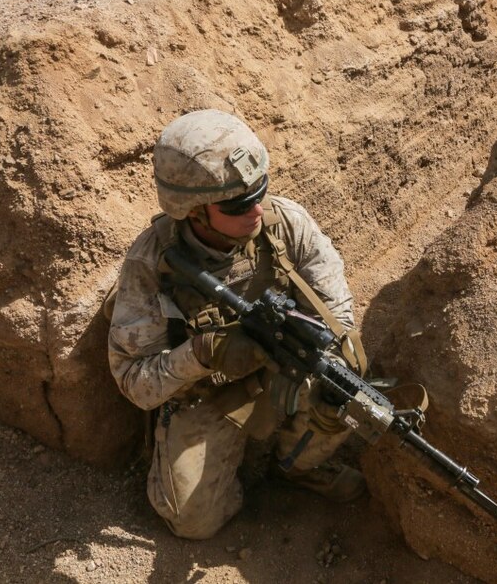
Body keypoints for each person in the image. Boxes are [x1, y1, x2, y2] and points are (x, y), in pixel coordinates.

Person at [107, 109, 369, 539]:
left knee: (347, 384)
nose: (257, 209)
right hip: (205, 394)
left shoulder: (286, 226)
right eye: (237, 204)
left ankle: (294, 465)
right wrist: (202, 353)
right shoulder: (150, 265)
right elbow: (135, 383)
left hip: (281, 367)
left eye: (259, 192)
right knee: (192, 521)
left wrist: (325, 355)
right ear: (193, 212)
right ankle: (230, 469)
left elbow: (337, 311)